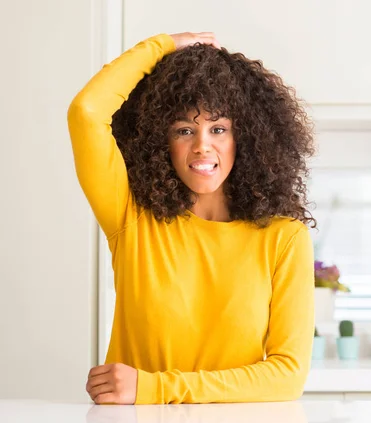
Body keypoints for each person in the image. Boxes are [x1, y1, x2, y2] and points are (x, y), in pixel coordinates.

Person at [67, 32, 316, 405]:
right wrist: (162, 45)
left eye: (218, 129)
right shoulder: (132, 218)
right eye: (184, 130)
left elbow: (287, 376)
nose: (202, 145)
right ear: (159, 142)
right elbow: (87, 113)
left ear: (244, 138)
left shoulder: (285, 238)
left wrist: (154, 388)